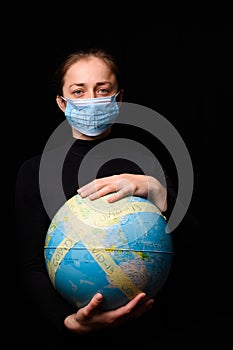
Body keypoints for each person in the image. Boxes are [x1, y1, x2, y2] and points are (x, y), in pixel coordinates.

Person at [15, 47, 207, 347]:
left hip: (155, 333)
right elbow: (31, 266)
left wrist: (156, 190)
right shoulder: (34, 171)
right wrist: (69, 324)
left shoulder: (144, 163)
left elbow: (198, 250)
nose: (91, 100)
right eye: (78, 92)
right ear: (61, 102)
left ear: (118, 100)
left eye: (102, 90)